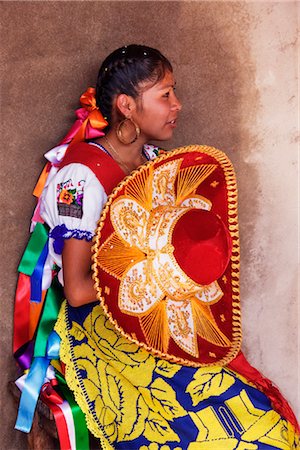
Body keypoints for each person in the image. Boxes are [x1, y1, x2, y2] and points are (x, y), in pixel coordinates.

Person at [14, 45, 299, 450]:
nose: (176, 104)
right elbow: (77, 291)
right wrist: (158, 274)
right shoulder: (79, 177)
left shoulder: (158, 164)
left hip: (162, 324)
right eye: (164, 95)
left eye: (173, 92)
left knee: (267, 424)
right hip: (105, 331)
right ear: (127, 105)